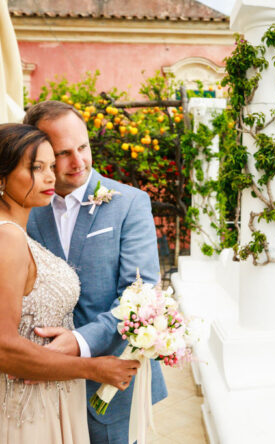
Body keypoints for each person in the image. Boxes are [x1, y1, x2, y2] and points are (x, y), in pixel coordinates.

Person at [24, 101, 167, 444]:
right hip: (40, 384)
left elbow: (141, 294)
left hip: (108, 384)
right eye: (63, 153)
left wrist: (79, 341)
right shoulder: (24, 209)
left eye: (83, 147)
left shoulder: (130, 203)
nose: (79, 162)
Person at [0, 123, 139, 444]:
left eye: (51, 166)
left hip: (56, 398)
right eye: (37, 168)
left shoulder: (17, 232)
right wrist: (93, 369)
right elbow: (4, 347)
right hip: (27, 409)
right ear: (2, 176)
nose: (51, 176)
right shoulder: (7, 238)